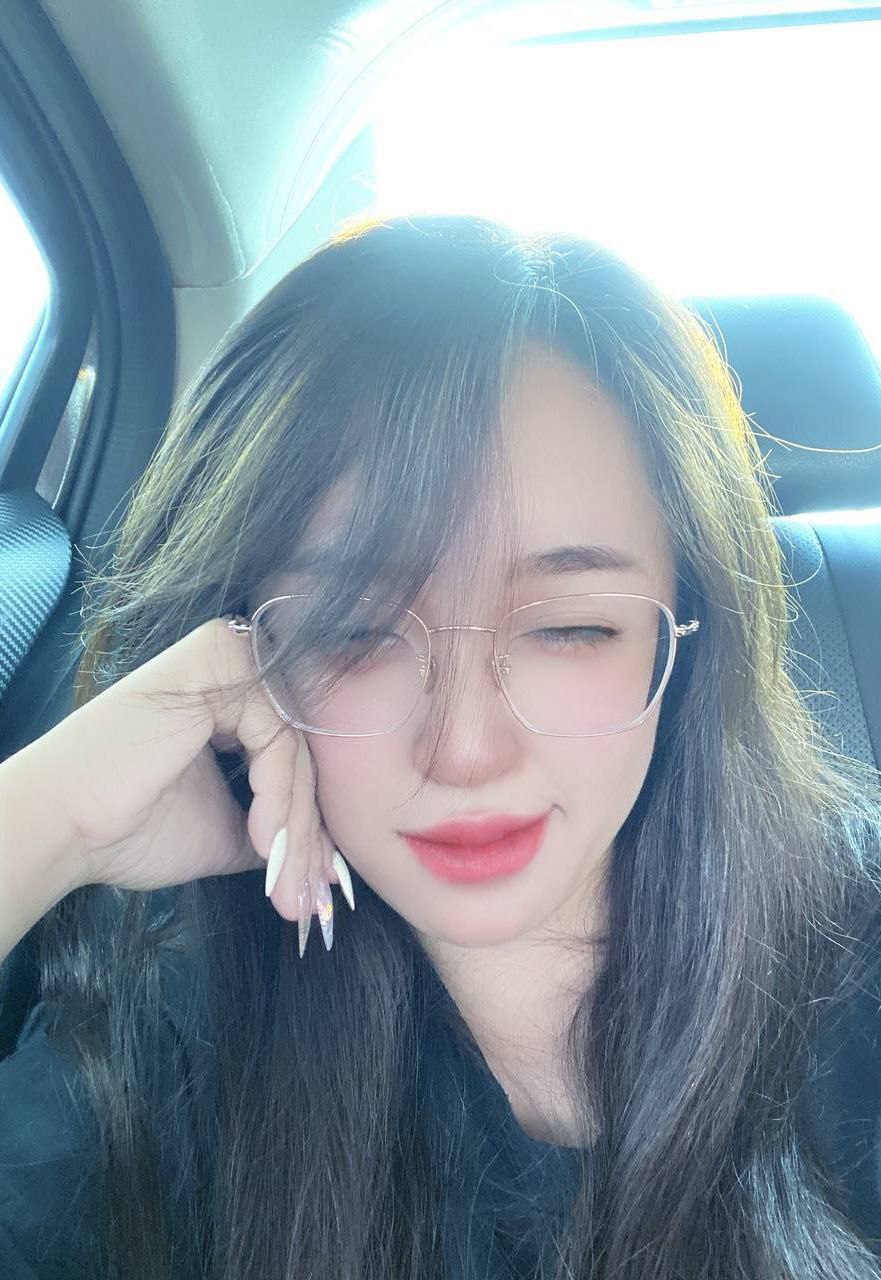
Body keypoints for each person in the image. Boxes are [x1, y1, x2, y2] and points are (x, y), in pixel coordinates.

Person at [1, 212, 881, 1280]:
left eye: (570, 628)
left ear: (682, 632)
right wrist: (45, 821)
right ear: (246, 644)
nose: (465, 750)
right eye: (354, 631)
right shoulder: (170, 1061)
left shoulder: (855, 944)